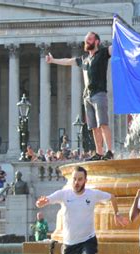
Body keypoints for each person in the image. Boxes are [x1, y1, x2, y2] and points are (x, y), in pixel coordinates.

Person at [35, 166, 128, 254]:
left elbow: (112, 197)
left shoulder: (92, 194)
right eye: (74, 179)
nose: (76, 182)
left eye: (80, 179)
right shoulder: (64, 194)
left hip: (87, 239)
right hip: (69, 244)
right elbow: (46, 200)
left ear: (85, 180)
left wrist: (117, 214)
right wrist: (41, 203)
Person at [46, 32, 114, 161]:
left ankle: (109, 151)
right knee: (93, 127)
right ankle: (99, 152)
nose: (86, 42)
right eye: (85, 40)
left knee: (103, 124)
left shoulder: (104, 53)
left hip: (99, 93)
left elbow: (117, 47)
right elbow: (68, 61)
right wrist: (53, 60)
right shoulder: (84, 59)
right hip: (87, 96)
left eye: (89, 39)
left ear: (97, 42)